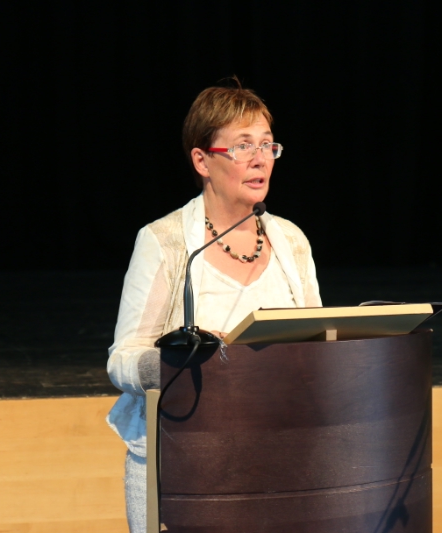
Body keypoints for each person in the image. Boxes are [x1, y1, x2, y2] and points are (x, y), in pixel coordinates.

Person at [105, 81, 322, 532]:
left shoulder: (291, 241)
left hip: (279, 462)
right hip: (182, 465)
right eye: (243, 146)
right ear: (202, 161)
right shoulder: (166, 243)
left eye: (267, 145)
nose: (260, 159)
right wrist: (178, 360)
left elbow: (320, 346)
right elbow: (122, 361)